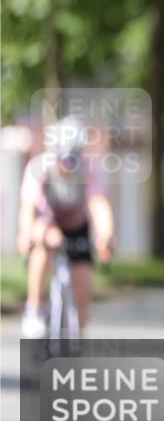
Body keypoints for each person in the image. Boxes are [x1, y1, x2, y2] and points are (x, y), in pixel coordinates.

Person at [17, 116, 114, 338]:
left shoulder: (87, 171)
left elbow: (98, 204)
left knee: (84, 283)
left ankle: (77, 339)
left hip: (77, 226)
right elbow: (28, 208)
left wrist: (106, 236)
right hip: (49, 223)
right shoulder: (39, 168)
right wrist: (25, 235)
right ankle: (34, 308)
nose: (68, 166)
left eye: (73, 160)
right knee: (45, 244)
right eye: (64, 159)